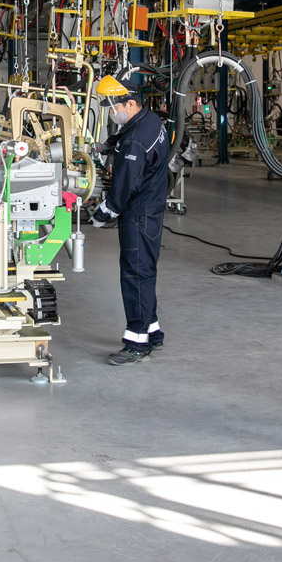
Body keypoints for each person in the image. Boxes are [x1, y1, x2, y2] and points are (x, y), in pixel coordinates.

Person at [91, 75, 171, 365]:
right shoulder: (150, 121)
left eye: (115, 108)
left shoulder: (136, 141)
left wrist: (105, 211)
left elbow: (125, 183)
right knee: (144, 271)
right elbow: (128, 140)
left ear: (131, 104)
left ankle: (137, 342)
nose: (113, 113)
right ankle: (152, 330)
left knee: (135, 274)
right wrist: (111, 145)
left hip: (138, 214)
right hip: (150, 209)